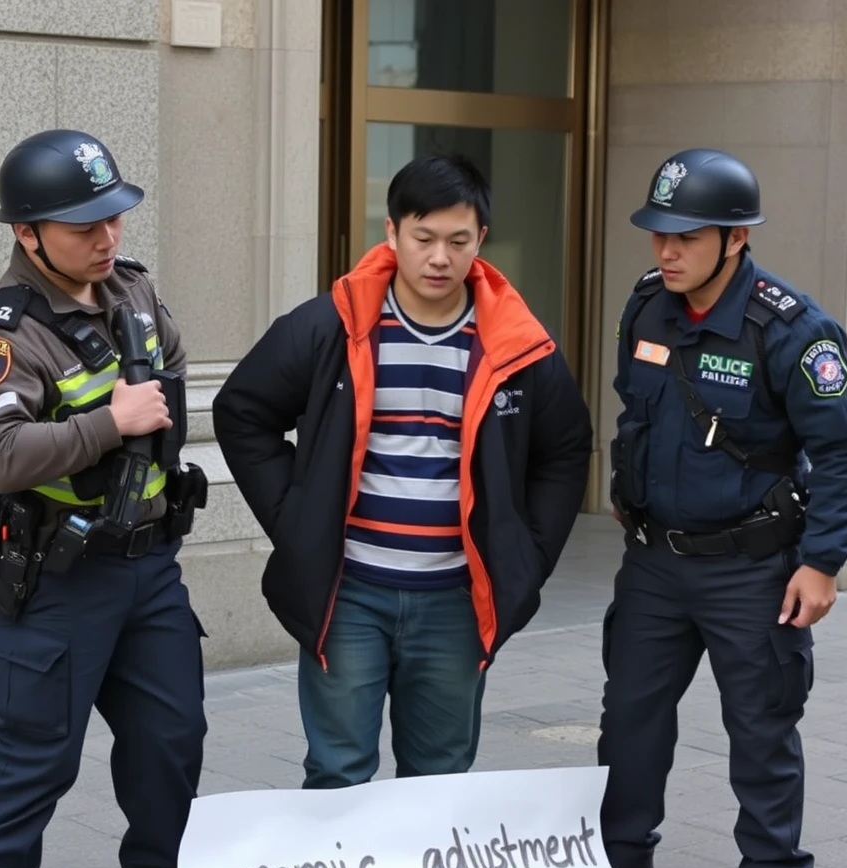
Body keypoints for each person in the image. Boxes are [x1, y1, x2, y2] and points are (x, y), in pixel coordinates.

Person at [213, 153, 592, 789]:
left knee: (440, 776)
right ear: (391, 233)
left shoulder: (517, 345)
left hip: (455, 599)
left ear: (481, 241)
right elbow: (241, 412)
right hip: (350, 592)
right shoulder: (333, 326)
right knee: (338, 772)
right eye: (423, 238)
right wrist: (297, 519)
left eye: (457, 240)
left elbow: (566, 450)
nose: (439, 257)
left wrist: (529, 553)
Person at [0, 129, 209, 868]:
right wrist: (110, 424)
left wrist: (147, 416)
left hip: (149, 564)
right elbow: (0, 454)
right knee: (33, 758)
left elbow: (169, 369)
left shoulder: (131, 287)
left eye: (113, 216)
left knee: (171, 739)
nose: (107, 237)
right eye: (83, 225)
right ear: (29, 235)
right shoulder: (3, 335)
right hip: (61, 581)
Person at [600, 148, 847, 868]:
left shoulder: (792, 329)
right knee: (631, 724)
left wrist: (821, 562)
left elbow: (844, 450)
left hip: (754, 569)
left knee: (761, 727)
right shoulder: (648, 308)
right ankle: (623, 865)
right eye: (659, 234)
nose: (667, 251)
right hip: (655, 563)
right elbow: (633, 411)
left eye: (687, 236)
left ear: (736, 237)